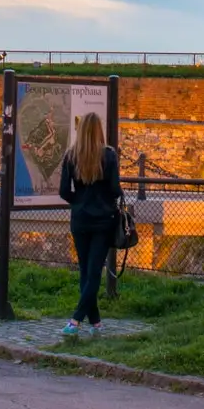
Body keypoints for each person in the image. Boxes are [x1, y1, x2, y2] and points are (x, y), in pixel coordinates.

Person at [57, 113, 121, 338]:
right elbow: (115, 189)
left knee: (86, 271)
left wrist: (79, 201)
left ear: (81, 130)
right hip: (103, 221)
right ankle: (75, 320)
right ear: (99, 130)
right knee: (93, 272)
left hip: (80, 219)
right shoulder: (109, 155)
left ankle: (96, 322)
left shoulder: (71, 156)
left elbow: (64, 191)